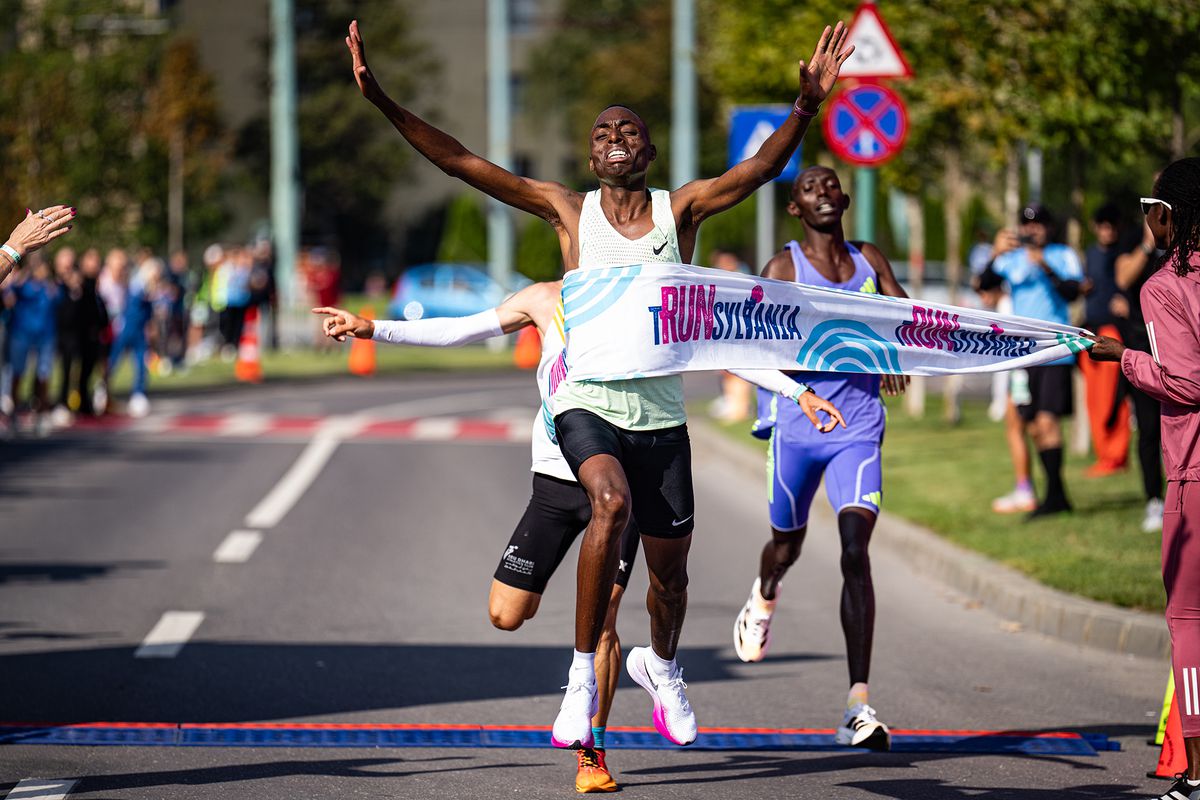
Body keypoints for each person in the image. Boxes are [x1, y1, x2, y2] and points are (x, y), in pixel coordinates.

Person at [346, 17, 853, 752]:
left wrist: (805, 107)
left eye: (629, 129)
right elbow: (460, 161)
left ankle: (663, 667)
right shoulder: (567, 210)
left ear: (648, 151)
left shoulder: (680, 209)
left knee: (670, 579)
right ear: (591, 156)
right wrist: (382, 101)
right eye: (602, 132)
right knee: (609, 502)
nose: (615, 136)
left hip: (660, 418)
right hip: (585, 407)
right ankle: (582, 676)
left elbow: (755, 172)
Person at [313, 286, 844, 792]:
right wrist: (371, 329)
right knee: (506, 613)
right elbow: (462, 330)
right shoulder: (544, 298)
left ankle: (592, 750)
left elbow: (721, 343)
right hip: (555, 482)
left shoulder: (644, 295)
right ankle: (588, 694)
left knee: (604, 617)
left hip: (617, 483)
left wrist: (796, 391)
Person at [732, 165, 907, 751]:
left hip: (858, 427)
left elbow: (909, 319)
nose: (822, 194)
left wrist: (896, 352)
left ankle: (858, 703)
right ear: (795, 209)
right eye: (809, 188)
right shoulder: (783, 270)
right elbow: (752, 342)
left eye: (830, 185)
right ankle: (765, 592)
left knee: (855, 550)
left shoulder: (869, 259)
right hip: (799, 429)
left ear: (845, 198)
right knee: (787, 546)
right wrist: (780, 398)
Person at [1087, 157, 1200, 800]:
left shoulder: (1163, 286)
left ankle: (1193, 771)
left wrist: (1123, 357)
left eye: (1151, 206)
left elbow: (1185, 381)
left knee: (1189, 620)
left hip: (1192, 473)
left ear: (1171, 216)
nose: (1146, 218)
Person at [976, 204, 1083, 519]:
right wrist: (995, 254)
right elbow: (984, 284)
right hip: (1023, 355)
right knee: (1033, 426)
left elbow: (1074, 292)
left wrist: (1045, 266)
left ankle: (1056, 494)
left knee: (1048, 422)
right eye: (1026, 223)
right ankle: (1054, 495)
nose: (1031, 229)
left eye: (1038, 223)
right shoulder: (1012, 258)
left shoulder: (1063, 255)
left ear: (1050, 227)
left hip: (1054, 351)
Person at [1115, 216, 1167, 532]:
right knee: (1149, 428)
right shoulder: (1134, 237)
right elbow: (1123, 278)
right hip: (1142, 347)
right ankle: (1154, 500)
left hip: (1181, 348)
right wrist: (1148, 245)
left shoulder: (1187, 238)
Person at [1078, 203, 1132, 477]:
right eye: (1103, 225)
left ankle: (1117, 455)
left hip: (1113, 332)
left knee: (1114, 398)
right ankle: (1103, 454)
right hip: (1091, 331)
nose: (1107, 231)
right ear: (1095, 227)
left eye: (1112, 226)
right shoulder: (1089, 254)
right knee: (1094, 399)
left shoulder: (1123, 253)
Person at [2, 252, 62, 436]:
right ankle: (13, 415)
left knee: (43, 374)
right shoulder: (22, 285)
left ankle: (41, 414)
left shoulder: (50, 288)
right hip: (22, 334)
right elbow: (8, 297)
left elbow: (60, 301)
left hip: (45, 335)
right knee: (18, 373)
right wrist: (21, 277)